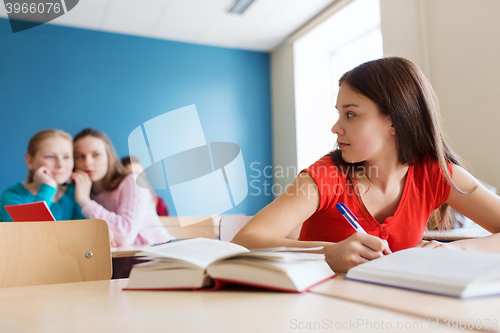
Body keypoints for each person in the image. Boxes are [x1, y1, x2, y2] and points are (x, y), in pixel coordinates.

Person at [232, 57, 500, 273]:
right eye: (339, 114)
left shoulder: (436, 174)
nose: (336, 128)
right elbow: (244, 241)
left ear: (395, 121)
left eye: (351, 114)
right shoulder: (324, 176)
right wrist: (328, 254)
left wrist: (455, 250)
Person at [72, 128, 174, 247]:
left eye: (96, 155)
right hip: (123, 259)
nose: (88, 163)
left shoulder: (133, 181)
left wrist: (85, 202)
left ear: (109, 156)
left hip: (160, 253)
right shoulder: (81, 192)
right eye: (80, 156)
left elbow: (125, 235)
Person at [0, 129, 84, 222]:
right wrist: (48, 188)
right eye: (50, 157)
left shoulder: (74, 194)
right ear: (30, 161)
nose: (61, 164)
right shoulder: (14, 195)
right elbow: (27, 234)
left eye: (66, 157)